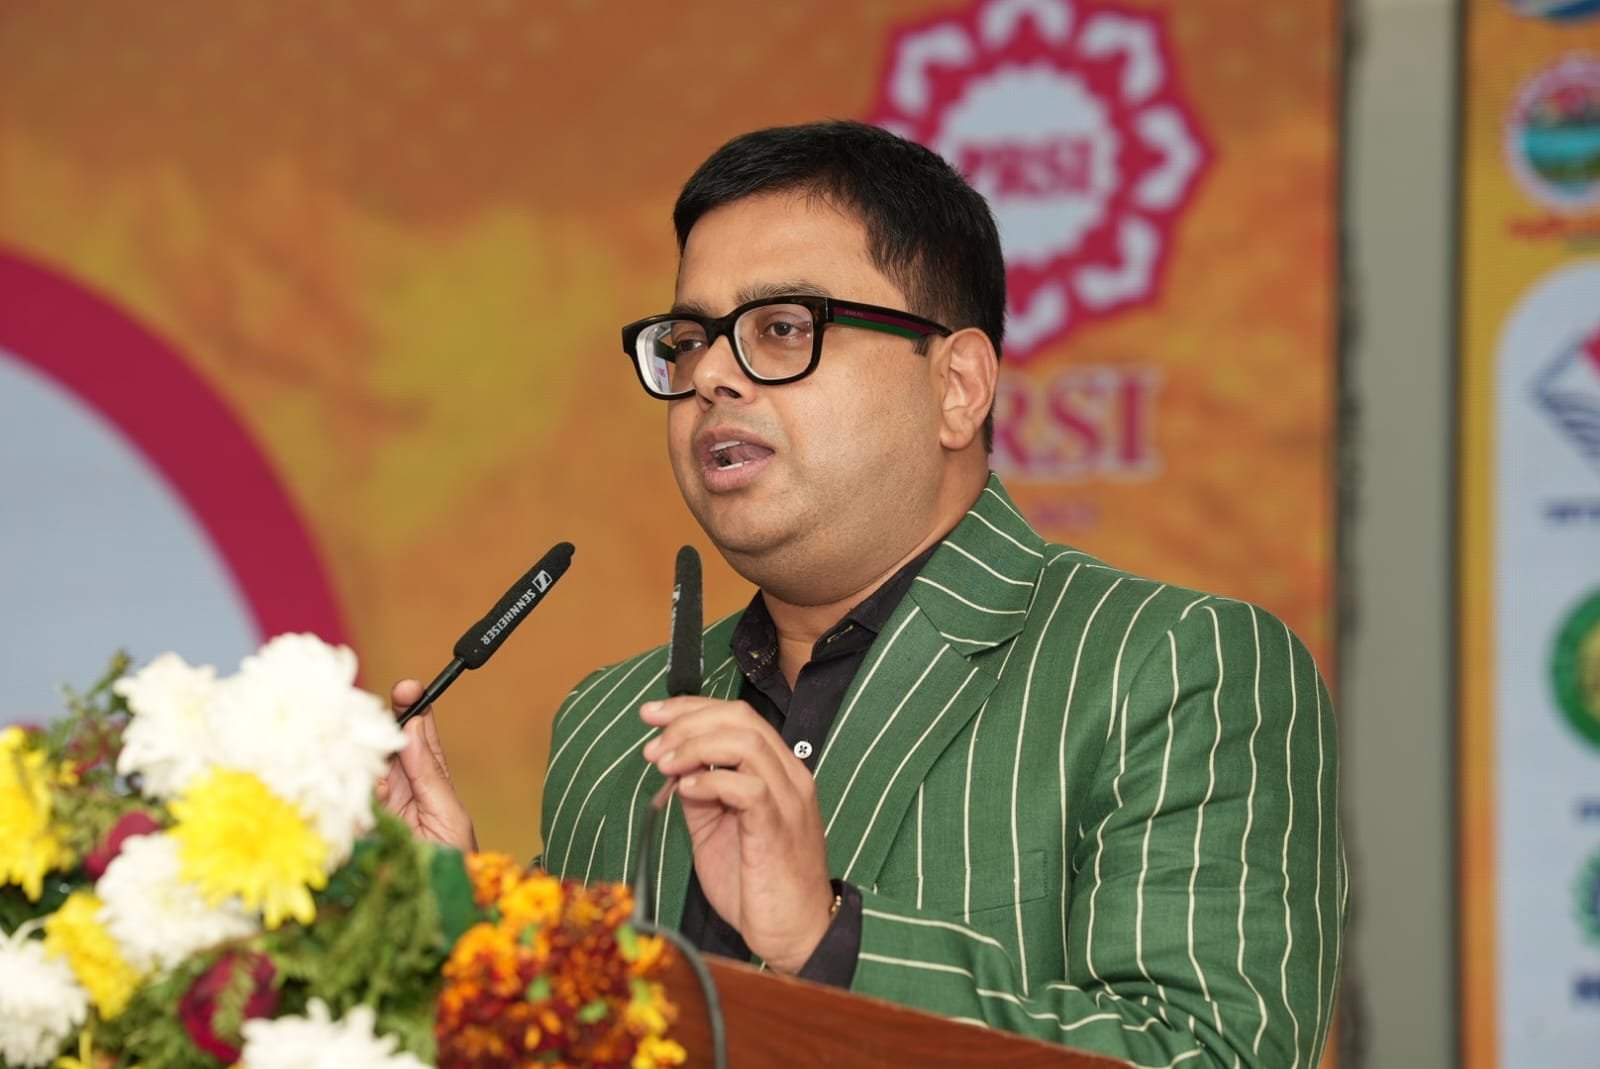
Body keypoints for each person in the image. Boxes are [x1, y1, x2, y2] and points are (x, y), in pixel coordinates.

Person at [381, 120, 1346, 1068]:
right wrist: (455, 933)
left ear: (957, 385)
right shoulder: (606, 726)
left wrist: (830, 940)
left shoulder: (1171, 667)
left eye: (780, 328)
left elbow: (1208, 1054)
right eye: (688, 339)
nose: (710, 375)